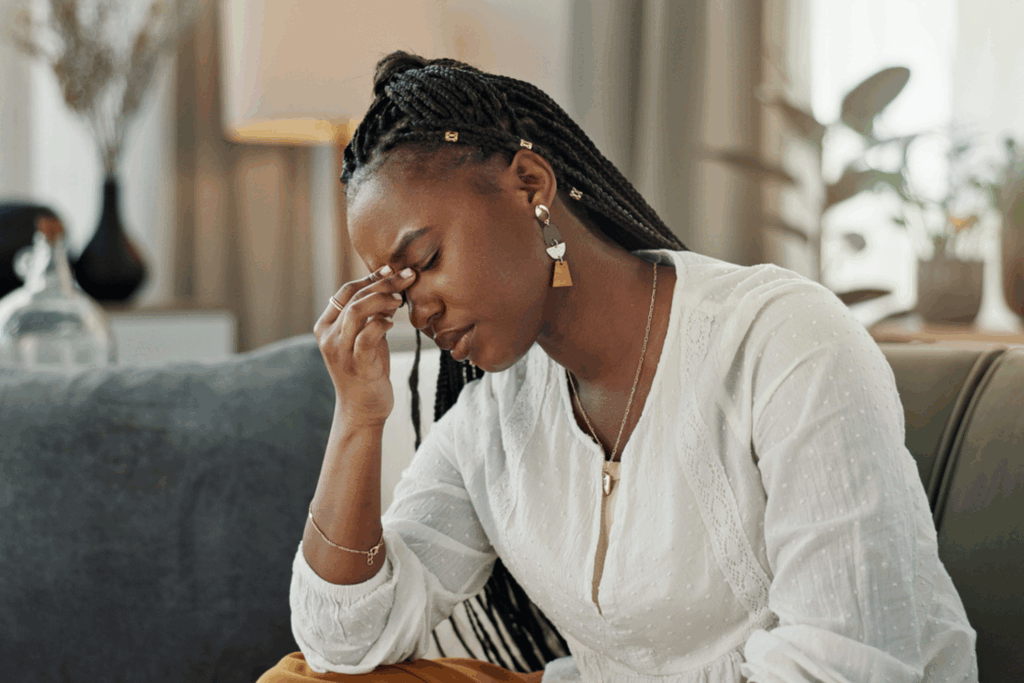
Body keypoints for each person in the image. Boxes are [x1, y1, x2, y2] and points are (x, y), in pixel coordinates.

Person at [257, 51, 978, 683]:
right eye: (397, 287)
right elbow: (341, 640)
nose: (419, 310)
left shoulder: (783, 341)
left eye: (426, 260)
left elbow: (844, 665)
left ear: (531, 185)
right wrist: (358, 417)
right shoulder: (495, 418)